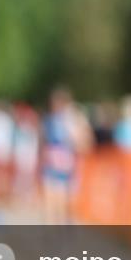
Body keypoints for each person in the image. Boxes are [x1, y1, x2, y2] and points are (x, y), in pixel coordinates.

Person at [40, 87, 93, 224]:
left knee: (64, 201)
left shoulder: (72, 120)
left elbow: (84, 143)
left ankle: (62, 231)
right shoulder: (49, 120)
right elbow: (44, 141)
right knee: (51, 200)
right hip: (51, 164)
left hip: (67, 165)